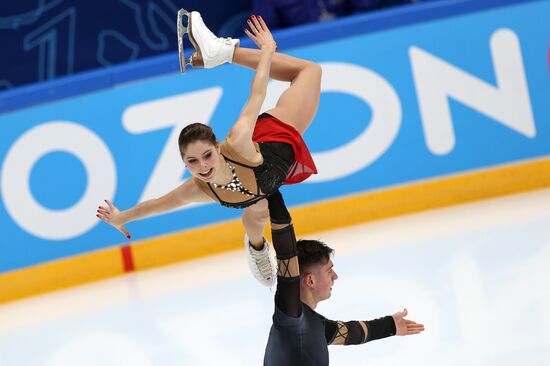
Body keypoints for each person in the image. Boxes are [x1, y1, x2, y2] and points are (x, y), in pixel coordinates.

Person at [96, 12, 321, 288]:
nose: (202, 165)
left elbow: (258, 93)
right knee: (259, 210)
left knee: (309, 71)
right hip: (259, 189)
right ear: (184, 162)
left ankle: (224, 52)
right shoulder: (197, 189)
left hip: (278, 139)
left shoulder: (238, 139)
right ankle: (257, 248)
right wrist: (121, 217)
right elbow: (156, 205)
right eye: (192, 161)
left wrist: (266, 51)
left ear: (217, 147)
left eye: (207, 155)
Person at [263, 190, 425, 365]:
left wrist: (390, 325)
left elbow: (351, 333)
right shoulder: (291, 316)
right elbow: (286, 254)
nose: (335, 276)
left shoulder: (314, 324)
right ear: (310, 280)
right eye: (329, 271)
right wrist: (273, 194)